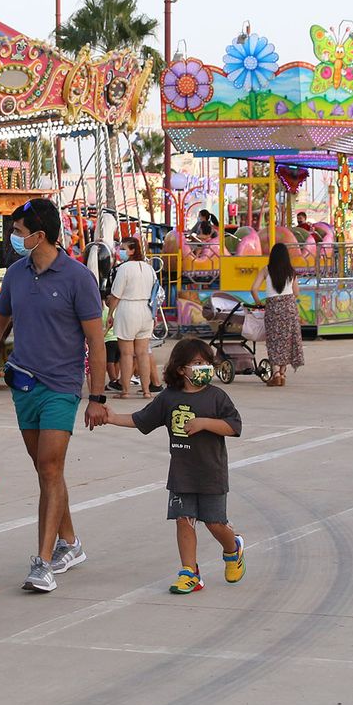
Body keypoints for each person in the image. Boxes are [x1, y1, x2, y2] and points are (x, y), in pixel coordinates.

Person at [0, 197, 108, 594]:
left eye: (20, 233)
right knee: (48, 471)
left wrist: (97, 396)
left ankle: (42, 563)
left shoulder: (78, 278)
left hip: (61, 387)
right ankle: (71, 544)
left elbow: (96, 337)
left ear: (40, 235)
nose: (15, 239)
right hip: (23, 385)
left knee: (48, 468)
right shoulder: (17, 275)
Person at [102, 339, 244, 594]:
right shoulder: (168, 398)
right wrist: (112, 418)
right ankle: (189, 572)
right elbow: (141, 420)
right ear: (181, 369)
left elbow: (234, 427)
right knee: (183, 520)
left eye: (207, 363)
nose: (205, 369)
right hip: (182, 473)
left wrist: (204, 423)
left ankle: (233, 549)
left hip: (211, 471)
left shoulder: (216, 397)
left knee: (214, 523)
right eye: (198, 364)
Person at [108, 235, 160, 399]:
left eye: (123, 249)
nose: (120, 251)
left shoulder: (124, 268)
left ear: (132, 251)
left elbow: (116, 295)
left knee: (126, 353)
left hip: (128, 309)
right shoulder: (149, 268)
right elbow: (156, 293)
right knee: (143, 353)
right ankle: (146, 391)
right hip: (146, 310)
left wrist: (110, 314)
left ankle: (125, 390)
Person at [252, 242, 303, 387]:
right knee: (288, 340)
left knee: (274, 340)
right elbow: (297, 292)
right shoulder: (291, 272)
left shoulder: (266, 270)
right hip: (289, 308)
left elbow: (253, 289)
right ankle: (282, 373)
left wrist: (258, 303)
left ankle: (275, 374)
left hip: (273, 308)